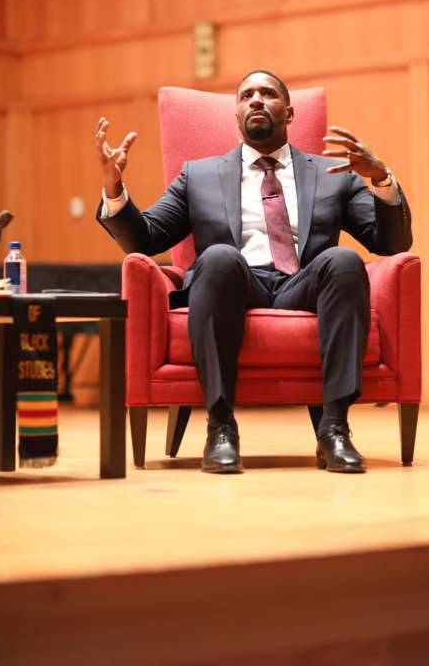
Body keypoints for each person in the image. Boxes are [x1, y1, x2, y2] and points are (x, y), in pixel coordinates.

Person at [96, 70, 412, 475]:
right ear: (237, 114)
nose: (256, 99)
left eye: (268, 93)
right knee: (217, 257)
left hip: (303, 284)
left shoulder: (333, 174)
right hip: (234, 282)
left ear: (290, 112)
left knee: (345, 260)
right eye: (247, 95)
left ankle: (334, 430)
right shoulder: (199, 175)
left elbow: (391, 244)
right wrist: (114, 189)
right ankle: (221, 427)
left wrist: (381, 179)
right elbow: (147, 239)